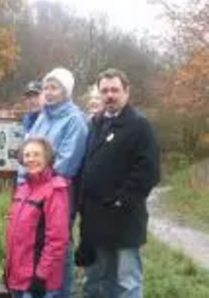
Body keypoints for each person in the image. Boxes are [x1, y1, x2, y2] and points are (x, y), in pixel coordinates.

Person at [76, 69, 160, 298]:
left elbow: (149, 172)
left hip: (125, 218)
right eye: (104, 91)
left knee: (127, 282)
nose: (109, 95)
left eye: (115, 90)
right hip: (95, 218)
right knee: (97, 278)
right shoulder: (95, 123)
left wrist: (121, 199)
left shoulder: (140, 126)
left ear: (126, 91)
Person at [24, 68, 88, 298]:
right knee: (36, 247)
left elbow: (66, 165)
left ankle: (59, 292)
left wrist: (37, 185)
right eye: (46, 88)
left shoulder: (75, 120)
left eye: (54, 88)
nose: (49, 93)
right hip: (31, 195)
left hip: (58, 196)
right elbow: (27, 151)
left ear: (67, 92)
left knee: (58, 247)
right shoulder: (43, 116)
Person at [5, 138, 70, 298]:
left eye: (36, 155)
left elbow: (57, 240)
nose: (31, 159)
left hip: (39, 281)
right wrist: (8, 269)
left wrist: (41, 276)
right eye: (27, 155)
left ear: (47, 158)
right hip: (18, 278)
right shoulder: (23, 188)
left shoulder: (55, 190)